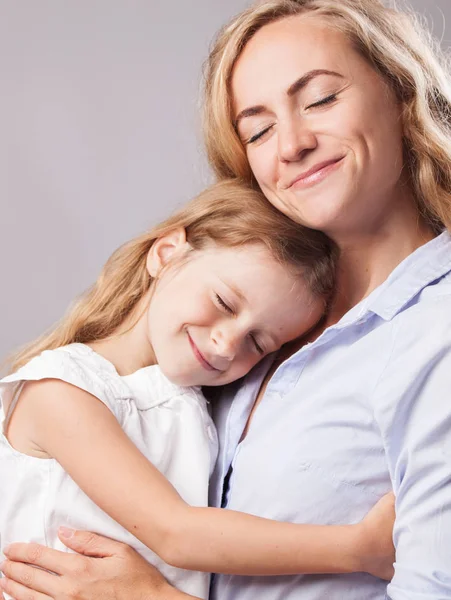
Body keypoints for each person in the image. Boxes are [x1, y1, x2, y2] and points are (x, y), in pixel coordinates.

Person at [2, 0, 451, 598]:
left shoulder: (431, 333)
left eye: (321, 98)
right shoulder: (250, 336)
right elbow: (169, 530)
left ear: (401, 92)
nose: (290, 144)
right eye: (258, 129)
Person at [0, 179, 395, 600]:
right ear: (166, 253)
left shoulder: (196, 408)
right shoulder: (62, 390)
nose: (227, 344)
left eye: (258, 343)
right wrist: (357, 548)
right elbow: (176, 533)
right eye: (224, 303)